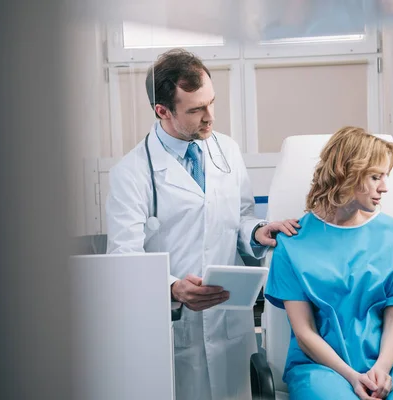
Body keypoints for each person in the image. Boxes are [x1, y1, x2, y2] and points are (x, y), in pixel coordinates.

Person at [106, 48, 300, 400]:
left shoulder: (226, 149)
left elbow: (240, 218)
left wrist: (257, 232)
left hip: (229, 322)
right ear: (162, 111)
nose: (209, 117)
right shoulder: (130, 174)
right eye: (195, 110)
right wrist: (173, 288)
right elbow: (123, 260)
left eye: (211, 103)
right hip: (173, 329)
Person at [265, 126, 393, 400]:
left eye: (385, 176)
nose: (385, 187)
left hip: (389, 361)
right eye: (375, 176)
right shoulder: (293, 242)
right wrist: (352, 376)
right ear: (347, 174)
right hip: (321, 366)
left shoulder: (392, 233)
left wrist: (381, 369)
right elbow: (304, 331)